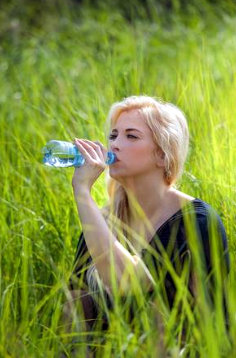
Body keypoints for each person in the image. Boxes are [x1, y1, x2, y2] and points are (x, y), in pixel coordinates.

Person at [65, 95, 229, 355]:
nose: (115, 145)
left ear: (163, 156)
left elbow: (129, 284)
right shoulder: (101, 221)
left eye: (131, 136)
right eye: (113, 136)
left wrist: (83, 193)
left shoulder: (196, 221)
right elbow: (75, 312)